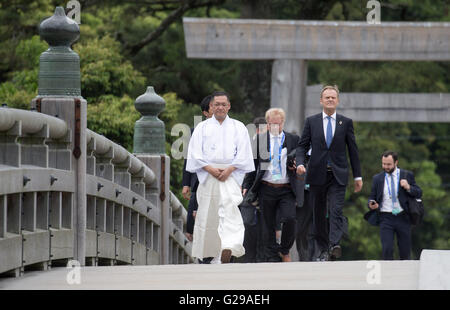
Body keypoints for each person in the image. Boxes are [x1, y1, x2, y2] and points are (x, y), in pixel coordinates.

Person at [186, 91, 255, 264]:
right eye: (217, 104)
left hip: (230, 175)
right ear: (211, 106)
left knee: (229, 212)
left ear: (229, 106)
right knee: (209, 215)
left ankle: (228, 246)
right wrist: (210, 169)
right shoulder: (201, 128)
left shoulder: (238, 127)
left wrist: (230, 169)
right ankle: (213, 254)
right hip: (208, 175)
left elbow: (245, 153)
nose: (220, 107)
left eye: (224, 104)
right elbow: (194, 153)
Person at [296, 85, 363, 261]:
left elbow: (353, 151)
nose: (330, 100)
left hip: (338, 174)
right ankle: (323, 249)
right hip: (317, 174)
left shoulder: (345, 122)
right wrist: (300, 164)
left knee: (336, 209)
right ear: (321, 101)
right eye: (327, 97)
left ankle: (334, 245)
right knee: (318, 213)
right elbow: (302, 146)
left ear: (338, 101)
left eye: (333, 97)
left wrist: (358, 176)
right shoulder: (312, 121)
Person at [243, 108, 303, 262]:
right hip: (266, 187)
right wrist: (247, 185)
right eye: (272, 124)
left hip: (287, 188)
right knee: (267, 225)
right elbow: (252, 165)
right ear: (267, 124)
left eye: (278, 123)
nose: (275, 126)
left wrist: (298, 164)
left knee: (290, 218)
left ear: (283, 122)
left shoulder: (294, 139)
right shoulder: (260, 140)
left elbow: (303, 159)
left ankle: (284, 249)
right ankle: (271, 257)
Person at [367, 151, 422, 260]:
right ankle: (388, 274)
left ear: (396, 162)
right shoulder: (377, 179)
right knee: (387, 249)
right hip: (385, 217)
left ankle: (405, 274)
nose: (385, 167)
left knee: (405, 251)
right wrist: (371, 204)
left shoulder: (407, 175)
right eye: (383, 164)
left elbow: (419, 192)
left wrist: (408, 187)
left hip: (403, 216)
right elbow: (372, 197)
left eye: (388, 164)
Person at [182, 94, 213, 264]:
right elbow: (189, 158)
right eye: (213, 107)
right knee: (195, 217)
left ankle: (218, 253)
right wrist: (186, 183)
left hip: (222, 181)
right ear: (206, 112)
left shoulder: (230, 130)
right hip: (199, 182)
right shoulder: (196, 131)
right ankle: (203, 255)